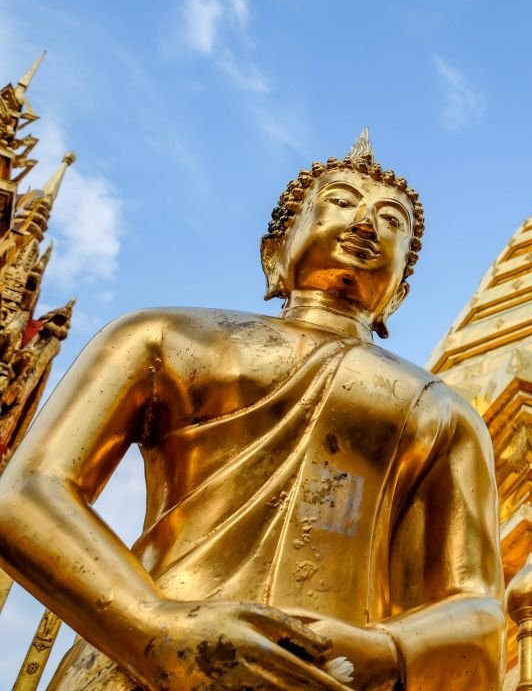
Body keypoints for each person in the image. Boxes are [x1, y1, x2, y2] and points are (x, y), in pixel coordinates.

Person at [0, 131, 505, 690]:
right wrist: (152, 626)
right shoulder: (165, 337)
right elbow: (25, 493)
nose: (365, 224)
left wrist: (386, 649)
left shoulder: (440, 411)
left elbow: (477, 609)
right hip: (143, 659)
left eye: (391, 221)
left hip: (328, 676)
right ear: (275, 252)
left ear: (400, 296)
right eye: (340, 202)